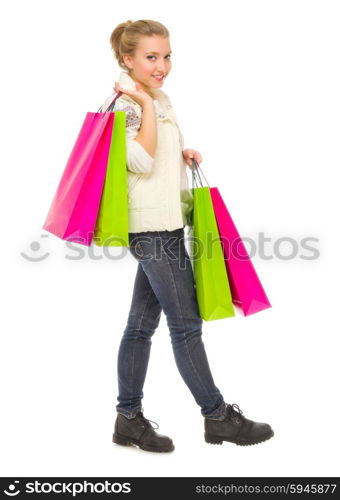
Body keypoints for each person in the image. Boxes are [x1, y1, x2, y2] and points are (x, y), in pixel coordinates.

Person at [99, 19, 274, 453]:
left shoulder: (154, 99)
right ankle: (217, 417)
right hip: (153, 229)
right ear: (127, 59)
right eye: (151, 57)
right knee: (186, 325)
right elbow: (137, 160)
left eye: (166, 56)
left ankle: (127, 420)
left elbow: (148, 159)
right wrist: (142, 101)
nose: (161, 66)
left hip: (164, 221)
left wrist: (180, 154)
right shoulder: (130, 103)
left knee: (140, 326)